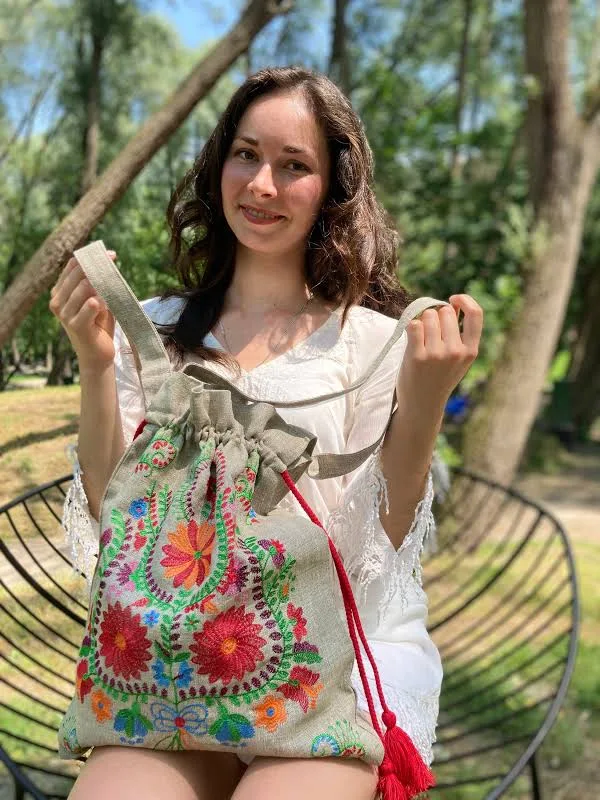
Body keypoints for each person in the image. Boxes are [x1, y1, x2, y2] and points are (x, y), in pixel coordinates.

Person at [49, 66, 483, 800]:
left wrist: (425, 401)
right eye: (246, 155)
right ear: (219, 163)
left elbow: (381, 541)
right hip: (178, 650)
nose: (261, 185)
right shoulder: (151, 327)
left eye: (294, 166)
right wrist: (96, 367)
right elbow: (110, 512)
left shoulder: (371, 343)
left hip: (330, 654)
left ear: (333, 190)